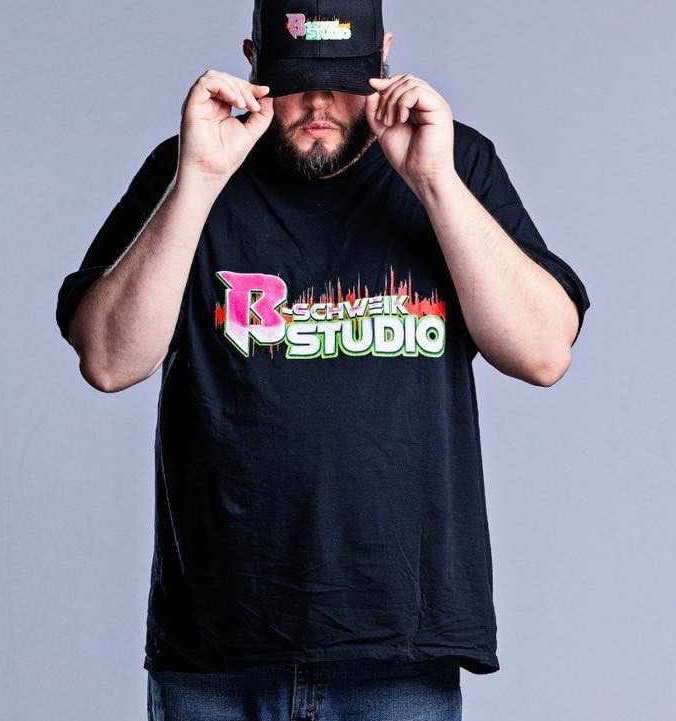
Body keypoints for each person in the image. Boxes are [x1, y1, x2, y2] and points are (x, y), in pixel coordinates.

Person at [55, 1, 591, 719]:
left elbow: (544, 351)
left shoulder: (453, 163)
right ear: (253, 63)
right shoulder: (191, 166)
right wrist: (198, 180)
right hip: (217, 650)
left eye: (342, 82)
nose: (318, 105)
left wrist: (435, 183)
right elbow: (108, 360)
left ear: (384, 57)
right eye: (296, 80)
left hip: (398, 653)